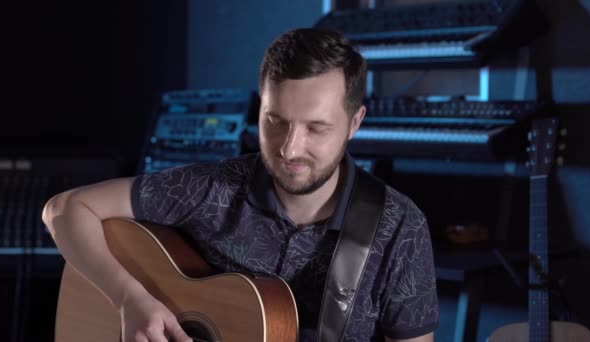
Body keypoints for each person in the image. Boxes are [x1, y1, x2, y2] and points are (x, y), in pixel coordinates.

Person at [43, 28, 439, 341]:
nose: (289, 148)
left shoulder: (399, 228)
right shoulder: (211, 189)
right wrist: (130, 299)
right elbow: (64, 209)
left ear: (355, 123)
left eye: (316, 128)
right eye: (275, 121)